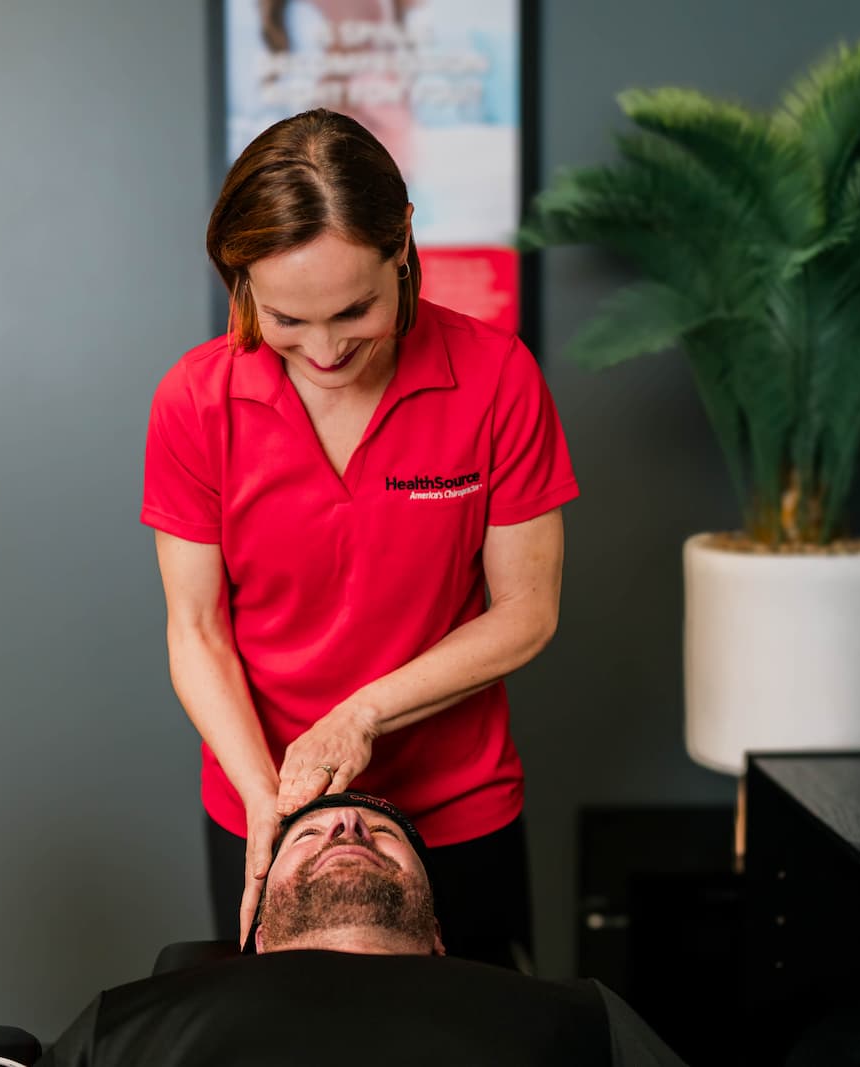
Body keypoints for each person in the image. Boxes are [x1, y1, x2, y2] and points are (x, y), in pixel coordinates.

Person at [142, 107, 577, 967]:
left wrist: (360, 716)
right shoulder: (194, 401)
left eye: (353, 309)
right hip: (264, 801)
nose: (325, 349)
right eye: (286, 320)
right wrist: (268, 804)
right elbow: (195, 630)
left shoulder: (497, 378)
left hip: (458, 805)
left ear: (404, 241)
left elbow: (527, 609)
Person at [42, 794, 687, 1066]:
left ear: (438, 934)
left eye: (381, 833)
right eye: (308, 834)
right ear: (257, 936)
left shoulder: (581, 1017)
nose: (347, 828)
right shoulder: (123, 1023)